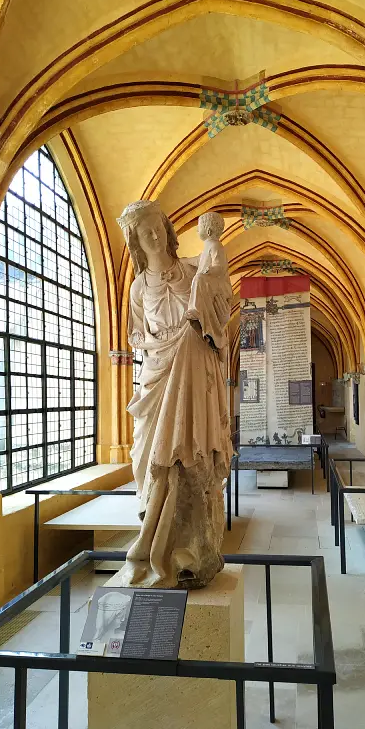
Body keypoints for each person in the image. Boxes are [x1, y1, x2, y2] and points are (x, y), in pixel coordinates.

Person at [116, 200, 232, 589]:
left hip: (195, 373)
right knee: (150, 457)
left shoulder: (190, 269)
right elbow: (135, 335)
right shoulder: (136, 289)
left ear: (167, 228)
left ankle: (193, 552)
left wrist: (213, 240)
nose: (154, 235)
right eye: (145, 232)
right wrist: (160, 342)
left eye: (158, 227)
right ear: (136, 242)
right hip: (157, 376)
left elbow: (218, 287)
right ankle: (155, 547)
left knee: (191, 456)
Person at [186, 212, 232, 364]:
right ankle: (211, 331)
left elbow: (220, 266)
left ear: (209, 231)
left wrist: (208, 271)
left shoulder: (215, 245)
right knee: (198, 280)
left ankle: (195, 310)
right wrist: (181, 261)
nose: (196, 230)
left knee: (198, 279)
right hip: (209, 285)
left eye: (199, 228)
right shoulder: (207, 247)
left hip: (218, 286)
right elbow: (197, 260)